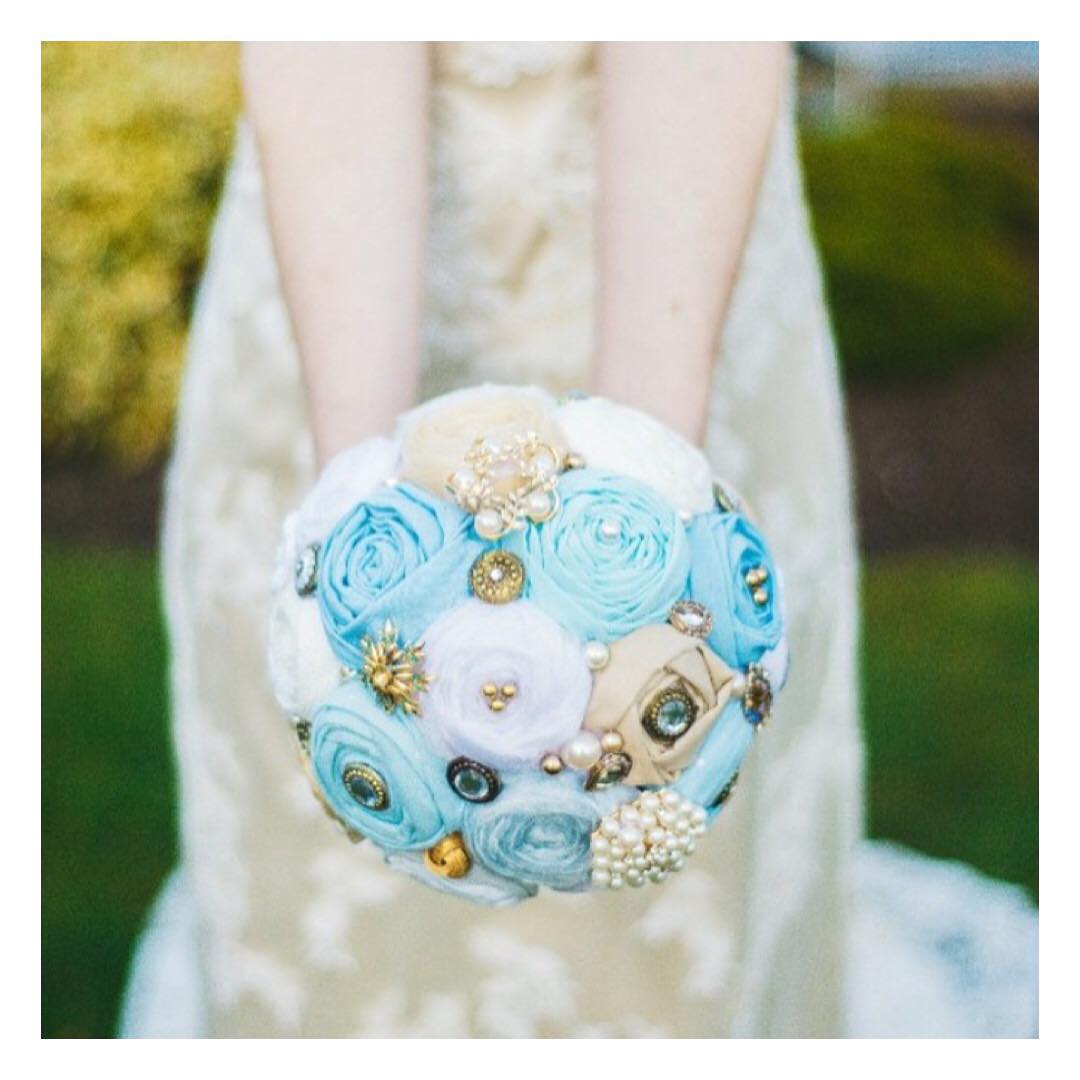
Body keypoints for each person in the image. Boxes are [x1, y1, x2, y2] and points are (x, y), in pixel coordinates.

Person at [120, 42, 1036, 1037]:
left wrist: (649, 534)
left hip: (683, 235)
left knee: (673, 873)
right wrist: (362, 540)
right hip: (333, 238)